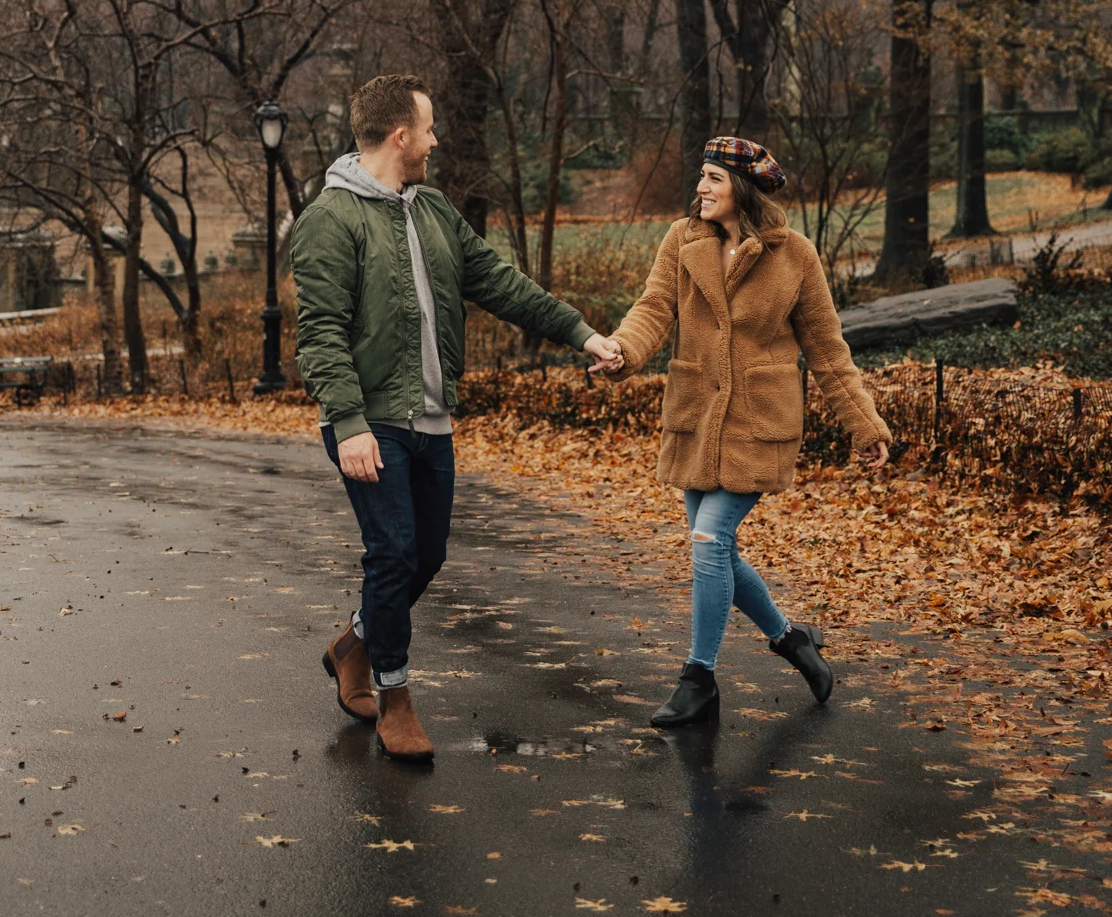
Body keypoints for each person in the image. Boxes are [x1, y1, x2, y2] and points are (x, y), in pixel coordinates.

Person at [292, 74, 622, 763]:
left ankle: (353, 643)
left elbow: (497, 281)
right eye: (430, 127)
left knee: (428, 556)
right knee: (394, 555)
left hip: (430, 417)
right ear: (400, 135)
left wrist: (580, 333)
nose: (437, 139)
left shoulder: (432, 209)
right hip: (369, 419)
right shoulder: (330, 218)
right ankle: (395, 698)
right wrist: (347, 421)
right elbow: (320, 331)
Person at [590, 137, 891, 728]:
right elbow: (654, 309)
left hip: (758, 423)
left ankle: (698, 678)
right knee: (717, 548)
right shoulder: (682, 241)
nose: (700, 188)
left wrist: (864, 423)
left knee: (707, 541)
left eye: (712, 179)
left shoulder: (794, 256)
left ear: (742, 190)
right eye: (700, 177)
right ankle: (789, 639)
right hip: (696, 417)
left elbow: (827, 350)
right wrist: (622, 351)